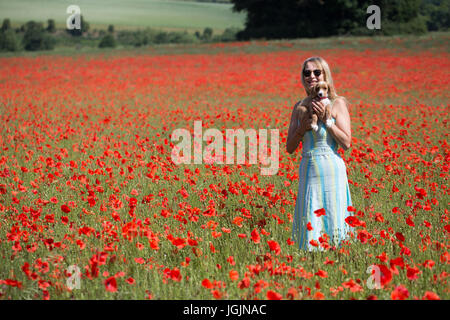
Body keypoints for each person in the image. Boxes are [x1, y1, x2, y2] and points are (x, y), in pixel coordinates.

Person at [286, 56, 353, 251]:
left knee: (335, 220)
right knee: (310, 220)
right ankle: (312, 267)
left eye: (317, 72)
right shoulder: (299, 107)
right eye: (307, 73)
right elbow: (290, 148)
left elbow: (347, 142)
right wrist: (302, 128)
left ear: (325, 75)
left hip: (332, 169)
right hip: (309, 170)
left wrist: (327, 121)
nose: (312, 76)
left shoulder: (337, 103)